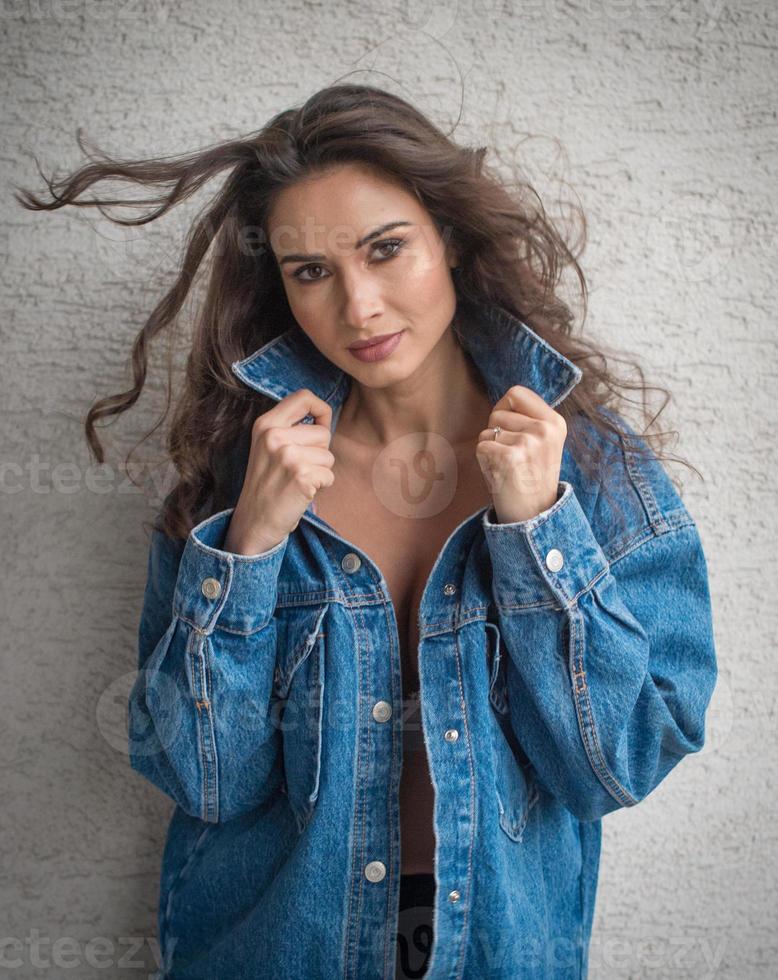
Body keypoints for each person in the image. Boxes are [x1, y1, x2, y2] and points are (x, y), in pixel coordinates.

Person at [16, 83, 718, 979]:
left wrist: (540, 534)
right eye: (311, 270)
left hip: (498, 952)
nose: (358, 307)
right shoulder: (243, 474)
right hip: (273, 952)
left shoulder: (594, 469)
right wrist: (252, 549)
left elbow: (612, 768)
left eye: (387, 250)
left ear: (451, 241)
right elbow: (203, 780)